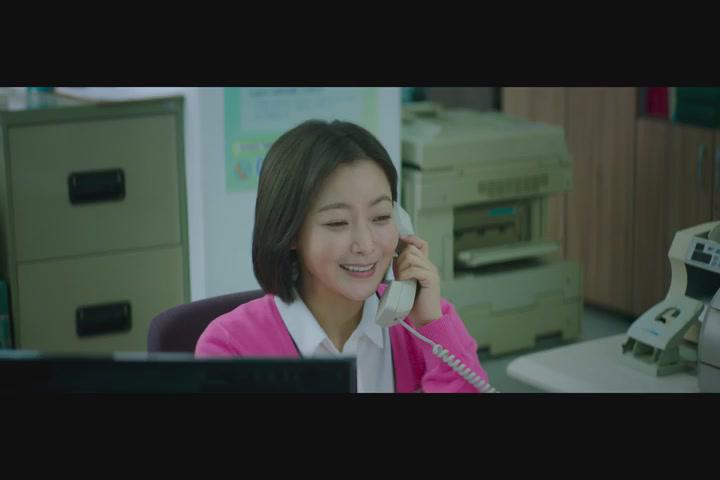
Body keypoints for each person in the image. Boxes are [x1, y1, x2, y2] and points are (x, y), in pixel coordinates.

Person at [195, 119, 490, 393]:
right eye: (337, 222)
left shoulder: (427, 321)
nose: (366, 245)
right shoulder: (230, 347)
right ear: (290, 232)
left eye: (381, 217)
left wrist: (431, 327)